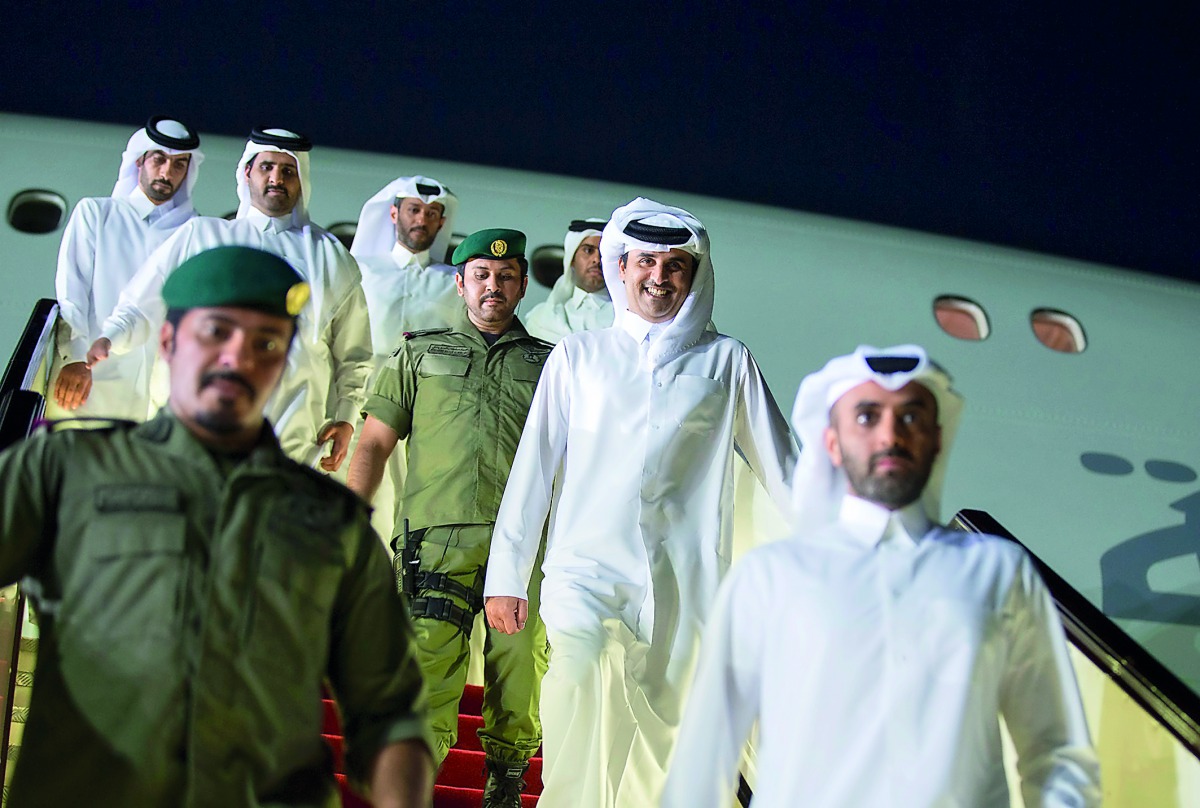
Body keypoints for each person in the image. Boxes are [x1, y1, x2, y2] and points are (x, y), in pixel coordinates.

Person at [0, 246, 433, 808]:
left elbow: (390, 714)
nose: (238, 357)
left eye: (266, 343)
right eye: (216, 332)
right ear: (168, 342)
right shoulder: (63, 473)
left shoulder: (330, 523)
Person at [663, 345, 1102, 807]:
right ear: (831, 440)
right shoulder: (771, 577)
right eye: (868, 417)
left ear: (937, 437)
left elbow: (1056, 753)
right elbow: (703, 762)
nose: (890, 435)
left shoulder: (997, 571)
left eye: (910, 418)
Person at [483, 198, 798, 807]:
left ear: (695, 276)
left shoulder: (727, 362)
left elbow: (786, 470)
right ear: (620, 269)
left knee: (661, 736)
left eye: (675, 265)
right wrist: (508, 576)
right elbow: (534, 471)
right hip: (584, 573)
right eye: (645, 261)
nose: (659, 276)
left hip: (685, 584)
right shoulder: (578, 357)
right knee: (573, 688)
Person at [348, 229, 552, 808]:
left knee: (519, 668)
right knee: (426, 662)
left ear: (520, 285)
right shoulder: (418, 353)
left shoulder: (551, 365)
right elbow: (373, 444)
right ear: (461, 283)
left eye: (507, 276)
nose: (494, 285)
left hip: (523, 546)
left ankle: (507, 778)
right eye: (482, 276)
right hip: (433, 542)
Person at [86, 128, 373, 471]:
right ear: (247, 172)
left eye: (287, 171)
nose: (276, 179)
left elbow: (354, 354)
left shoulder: (330, 257)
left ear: (301, 180)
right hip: (195, 428)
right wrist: (110, 338)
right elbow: (141, 302)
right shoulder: (202, 236)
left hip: (290, 436)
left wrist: (346, 416)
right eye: (266, 167)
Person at [51, 116, 204, 421]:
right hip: (89, 379)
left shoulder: (194, 230)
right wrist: (75, 357)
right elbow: (72, 290)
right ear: (139, 162)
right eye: (158, 159)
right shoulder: (97, 213)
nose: (166, 172)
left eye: (178, 165)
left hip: (158, 393)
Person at [349, 175, 461, 539]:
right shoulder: (361, 269)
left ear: (442, 223)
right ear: (394, 213)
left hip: (421, 415)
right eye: (414, 210)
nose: (422, 219)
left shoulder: (451, 283)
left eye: (432, 213)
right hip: (357, 408)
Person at [523, 218, 612, 342]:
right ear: (572, 259)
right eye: (588, 250)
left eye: (604, 253)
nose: (597, 260)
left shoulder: (627, 319)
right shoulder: (539, 318)